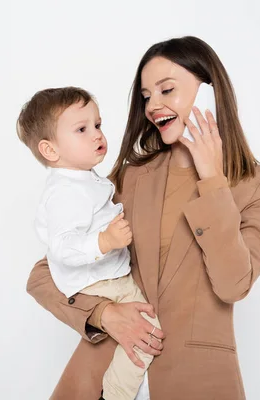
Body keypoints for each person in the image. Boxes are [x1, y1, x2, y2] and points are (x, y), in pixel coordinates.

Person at [26, 36, 260, 400]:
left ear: (211, 93)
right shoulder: (129, 178)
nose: (153, 106)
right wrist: (104, 314)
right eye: (147, 96)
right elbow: (43, 275)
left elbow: (233, 284)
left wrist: (212, 179)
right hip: (104, 375)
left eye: (167, 90)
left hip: (195, 380)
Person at [16, 87, 162, 400]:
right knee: (147, 333)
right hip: (101, 284)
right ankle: (115, 394)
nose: (97, 135)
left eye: (98, 125)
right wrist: (105, 241)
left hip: (108, 278)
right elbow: (62, 248)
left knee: (144, 332)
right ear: (51, 151)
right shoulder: (66, 192)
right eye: (82, 129)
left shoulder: (85, 179)